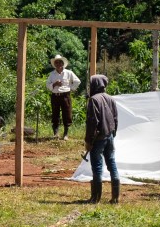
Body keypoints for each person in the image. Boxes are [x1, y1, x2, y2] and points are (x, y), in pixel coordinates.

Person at [84, 74, 119, 204]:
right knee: (112, 164)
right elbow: (115, 120)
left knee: (97, 167)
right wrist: (112, 135)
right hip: (109, 136)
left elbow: (92, 122)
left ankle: (95, 198)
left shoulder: (94, 100)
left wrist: (89, 141)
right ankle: (115, 198)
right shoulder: (111, 99)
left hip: (98, 138)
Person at [47, 54, 80, 140]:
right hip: (55, 96)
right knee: (55, 114)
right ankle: (55, 133)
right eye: (56, 63)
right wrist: (55, 84)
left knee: (67, 114)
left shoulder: (69, 73)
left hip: (65, 96)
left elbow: (77, 81)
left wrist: (71, 88)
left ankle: (65, 134)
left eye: (59, 62)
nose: (58, 64)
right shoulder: (52, 74)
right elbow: (47, 85)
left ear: (62, 64)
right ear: (55, 64)